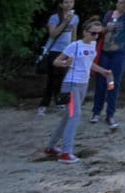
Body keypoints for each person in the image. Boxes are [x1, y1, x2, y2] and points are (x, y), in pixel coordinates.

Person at [45, 20, 115, 164]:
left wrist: (103, 72)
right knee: (74, 114)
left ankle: (51, 146)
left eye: (98, 33)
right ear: (85, 32)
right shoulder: (74, 45)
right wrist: (65, 63)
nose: (95, 36)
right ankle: (66, 152)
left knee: (68, 116)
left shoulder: (93, 45)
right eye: (93, 33)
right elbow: (56, 61)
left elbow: (89, 64)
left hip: (83, 84)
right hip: (71, 84)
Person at [90, 0, 125, 129]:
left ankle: (110, 114)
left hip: (119, 54)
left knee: (113, 83)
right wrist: (105, 29)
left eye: (123, 3)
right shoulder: (109, 14)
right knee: (100, 82)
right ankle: (96, 112)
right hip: (105, 52)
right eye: (119, 2)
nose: (120, 4)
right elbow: (99, 30)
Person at [37, 0, 80, 115]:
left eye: (71, 2)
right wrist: (65, 21)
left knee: (62, 77)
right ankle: (44, 104)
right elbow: (53, 34)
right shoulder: (54, 17)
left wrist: (73, 50)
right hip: (54, 51)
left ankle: (59, 101)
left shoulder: (75, 18)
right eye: (66, 2)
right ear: (61, 4)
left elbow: (74, 35)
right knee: (52, 78)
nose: (69, 4)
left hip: (66, 51)